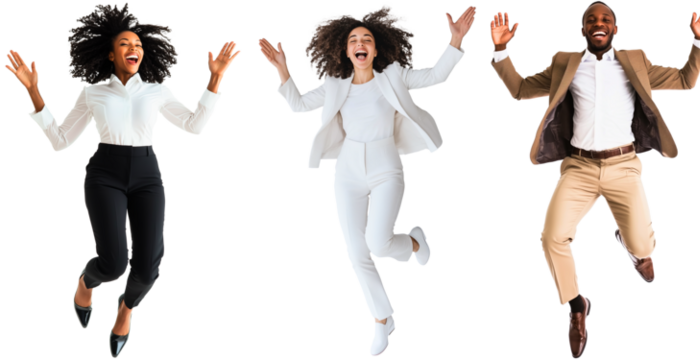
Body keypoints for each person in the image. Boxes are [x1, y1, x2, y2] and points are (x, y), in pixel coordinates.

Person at [3, 1, 240, 358]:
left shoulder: (157, 89)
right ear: (110, 53)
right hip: (104, 172)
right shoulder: (93, 90)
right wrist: (33, 90)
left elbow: (194, 126)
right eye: (126, 44)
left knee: (148, 269)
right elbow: (60, 141)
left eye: (139, 45)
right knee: (113, 264)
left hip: (147, 173)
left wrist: (215, 79)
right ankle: (86, 282)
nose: (134, 49)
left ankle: (125, 310)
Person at [486, 2, 700, 359]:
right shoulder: (565, 62)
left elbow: (686, 80)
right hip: (579, 167)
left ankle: (632, 247)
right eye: (591, 20)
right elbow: (519, 89)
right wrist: (500, 49)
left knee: (644, 247)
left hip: (624, 166)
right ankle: (577, 305)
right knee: (551, 237)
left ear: (616, 30)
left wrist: (699, 41)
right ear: (582, 31)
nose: (598, 24)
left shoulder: (635, 60)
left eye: (605, 19)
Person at [256, 2, 476, 357]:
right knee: (356, 252)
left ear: (378, 47)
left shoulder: (395, 74)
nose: (361, 43)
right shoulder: (334, 83)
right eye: (354, 39)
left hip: (386, 166)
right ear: (344, 48)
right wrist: (283, 70)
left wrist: (455, 42)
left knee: (378, 243)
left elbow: (437, 76)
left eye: (367, 38)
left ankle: (416, 243)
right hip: (346, 171)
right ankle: (381, 318)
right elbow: (297, 104)